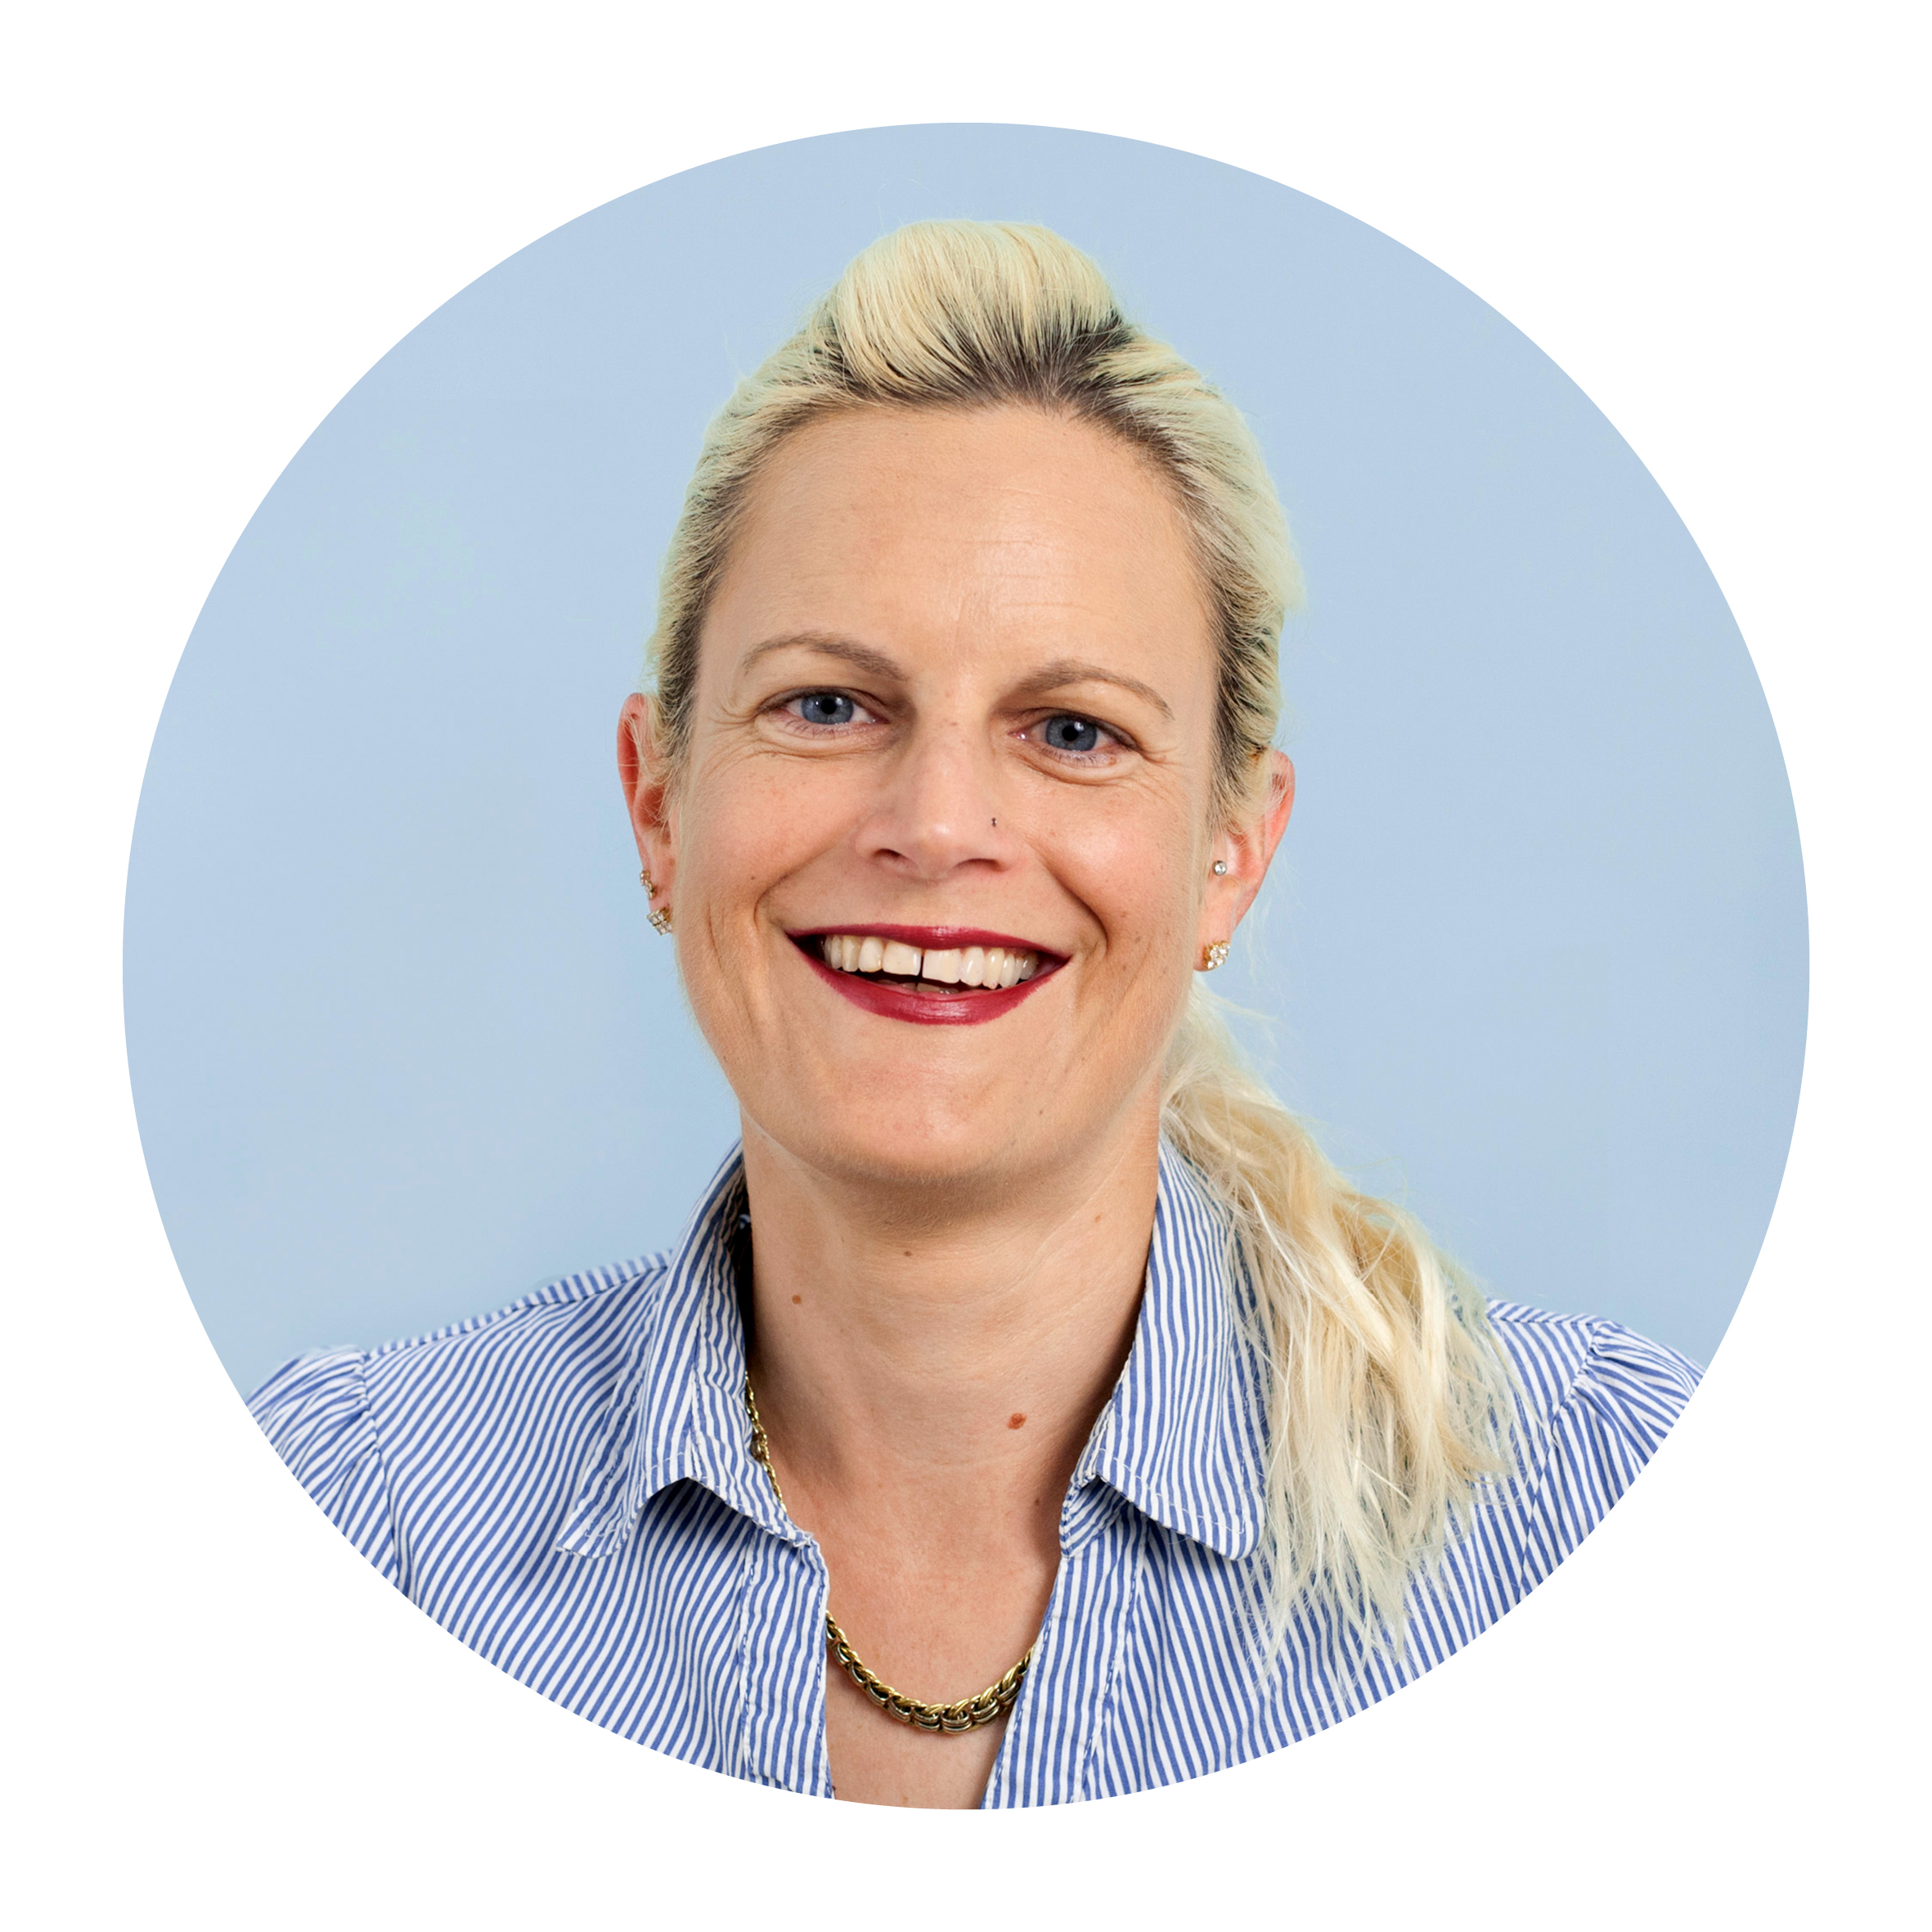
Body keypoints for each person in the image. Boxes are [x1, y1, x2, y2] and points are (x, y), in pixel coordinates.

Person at [250, 219, 1701, 1810]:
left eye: (1071, 729)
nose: (936, 823)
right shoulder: (348, 1519)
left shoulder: (1610, 1514)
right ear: (657, 802)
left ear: (1229, 855)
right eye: (825, 703)